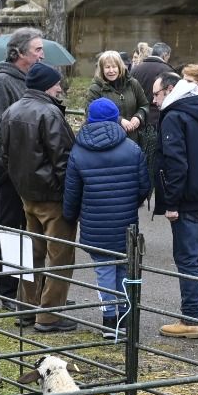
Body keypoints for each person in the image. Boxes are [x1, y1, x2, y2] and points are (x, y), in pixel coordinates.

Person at [0, 62, 77, 332]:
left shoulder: (11, 111)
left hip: (27, 195)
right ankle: (49, 315)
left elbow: (4, 155)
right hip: (52, 197)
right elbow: (63, 159)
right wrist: (69, 196)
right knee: (60, 256)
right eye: (56, 84)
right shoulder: (49, 113)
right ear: (46, 86)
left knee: (33, 254)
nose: (60, 88)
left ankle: (26, 309)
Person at [62, 97, 150, 338]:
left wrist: (70, 215)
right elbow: (144, 186)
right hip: (125, 222)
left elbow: (72, 192)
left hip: (94, 223)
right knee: (124, 269)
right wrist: (131, 202)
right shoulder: (132, 149)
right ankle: (125, 318)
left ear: (89, 119)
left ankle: (109, 321)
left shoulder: (78, 151)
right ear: (115, 119)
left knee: (104, 271)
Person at [151, 69, 198, 339]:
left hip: (186, 200)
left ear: (170, 90)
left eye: (156, 94)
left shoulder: (174, 117)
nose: (154, 101)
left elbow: (175, 162)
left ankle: (191, 317)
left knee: (187, 258)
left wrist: (170, 203)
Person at [0, 28, 45, 309]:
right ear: (19, 53)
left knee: (33, 230)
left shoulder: (34, 79)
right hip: (9, 167)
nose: (42, 55)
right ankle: (9, 293)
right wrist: (30, 137)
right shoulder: (2, 81)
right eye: (37, 50)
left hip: (32, 166)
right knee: (11, 231)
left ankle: (33, 293)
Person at [87, 50, 149, 139]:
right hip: (108, 138)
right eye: (107, 67)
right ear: (102, 69)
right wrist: (119, 120)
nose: (111, 70)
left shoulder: (133, 84)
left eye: (114, 66)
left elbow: (144, 105)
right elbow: (90, 113)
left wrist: (139, 117)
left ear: (120, 67)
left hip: (133, 138)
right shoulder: (96, 89)